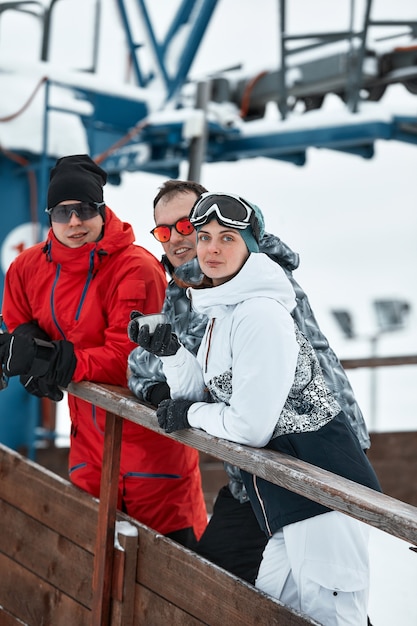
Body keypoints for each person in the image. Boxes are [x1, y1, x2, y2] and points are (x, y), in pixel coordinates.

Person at [132, 191, 382, 626]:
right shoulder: (220, 310)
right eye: (205, 236)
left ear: (251, 245)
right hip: (281, 490)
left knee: (333, 616)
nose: (210, 248)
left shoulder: (259, 313)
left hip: (322, 488)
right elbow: (212, 393)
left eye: (227, 238)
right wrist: (171, 353)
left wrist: (187, 416)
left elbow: (249, 426)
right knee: (271, 608)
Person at [0, 155, 207, 547]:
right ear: (50, 216)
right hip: (89, 458)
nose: (74, 222)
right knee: (91, 578)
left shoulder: (136, 269)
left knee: (179, 587)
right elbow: (17, 315)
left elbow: (132, 362)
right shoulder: (27, 268)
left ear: (101, 209)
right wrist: (28, 346)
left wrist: (48, 360)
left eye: (84, 209)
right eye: (63, 212)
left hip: (155, 464)